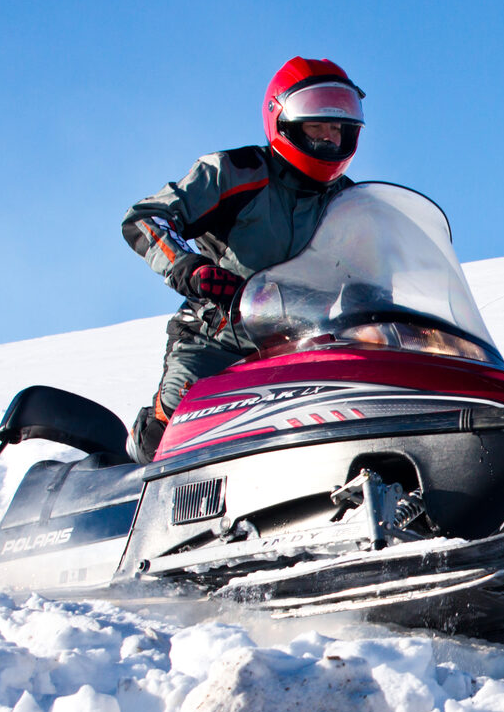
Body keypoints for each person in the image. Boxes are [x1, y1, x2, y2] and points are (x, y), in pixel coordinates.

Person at [121, 56, 366, 461]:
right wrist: (189, 268)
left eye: (336, 128)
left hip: (305, 349)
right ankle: (132, 474)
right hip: (216, 341)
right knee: (168, 436)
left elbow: (377, 275)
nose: (327, 137)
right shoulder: (237, 173)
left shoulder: (352, 204)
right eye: (316, 126)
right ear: (285, 124)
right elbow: (145, 221)